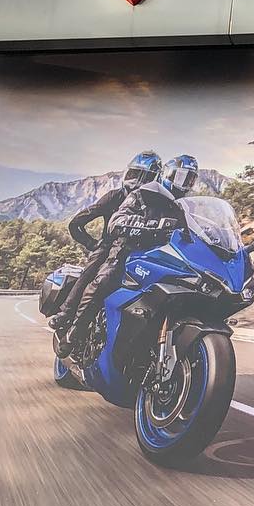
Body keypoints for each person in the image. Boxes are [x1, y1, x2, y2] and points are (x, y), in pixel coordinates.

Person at [49, 152, 188, 357]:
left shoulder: (164, 200)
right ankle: (72, 326)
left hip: (148, 253)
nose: (136, 181)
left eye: (143, 177)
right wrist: (93, 244)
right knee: (100, 277)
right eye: (133, 174)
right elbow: (78, 223)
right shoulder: (118, 196)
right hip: (116, 246)